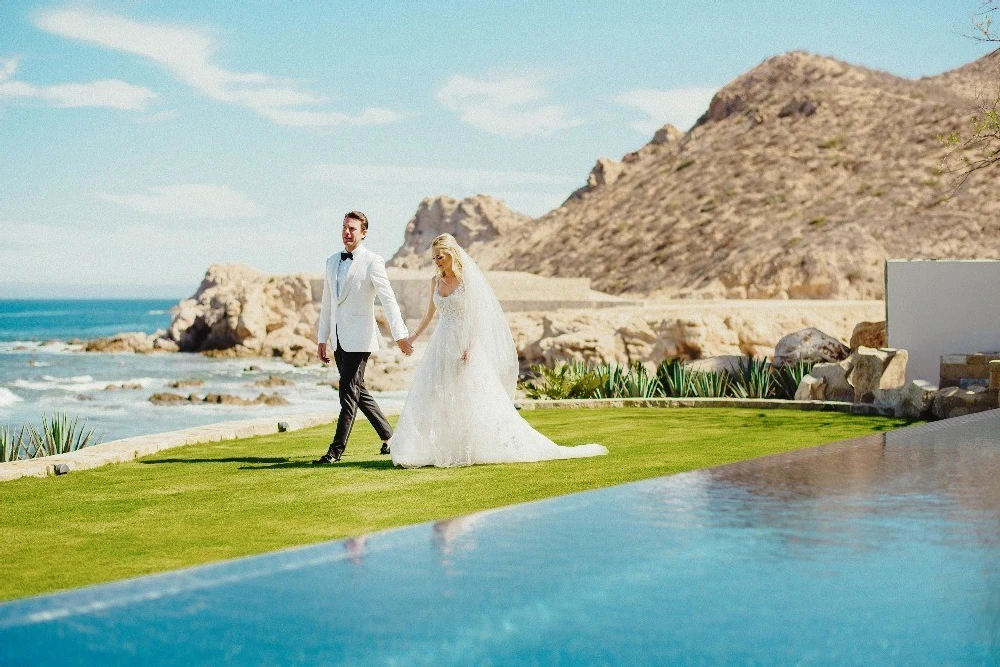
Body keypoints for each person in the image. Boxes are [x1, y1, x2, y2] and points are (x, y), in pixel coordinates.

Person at [390, 234, 607, 467]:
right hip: (441, 344)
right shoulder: (435, 281)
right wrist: (411, 337)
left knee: (472, 395)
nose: (437, 261)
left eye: (440, 256)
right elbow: (429, 315)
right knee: (439, 395)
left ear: (452, 254)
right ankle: (442, 449)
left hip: (464, 344)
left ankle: (476, 447)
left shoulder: (467, 282)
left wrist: (470, 346)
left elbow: (477, 316)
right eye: (434, 257)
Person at [313, 211, 412, 464]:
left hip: (360, 338)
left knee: (347, 391)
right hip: (337, 337)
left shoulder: (372, 261)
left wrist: (400, 334)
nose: (347, 232)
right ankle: (390, 436)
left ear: (364, 232)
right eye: (344, 227)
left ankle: (335, 451)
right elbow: (328, 303)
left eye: (352, 229)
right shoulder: (332, 261)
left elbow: (388, 299)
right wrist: (322, 338)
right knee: (357, 390)